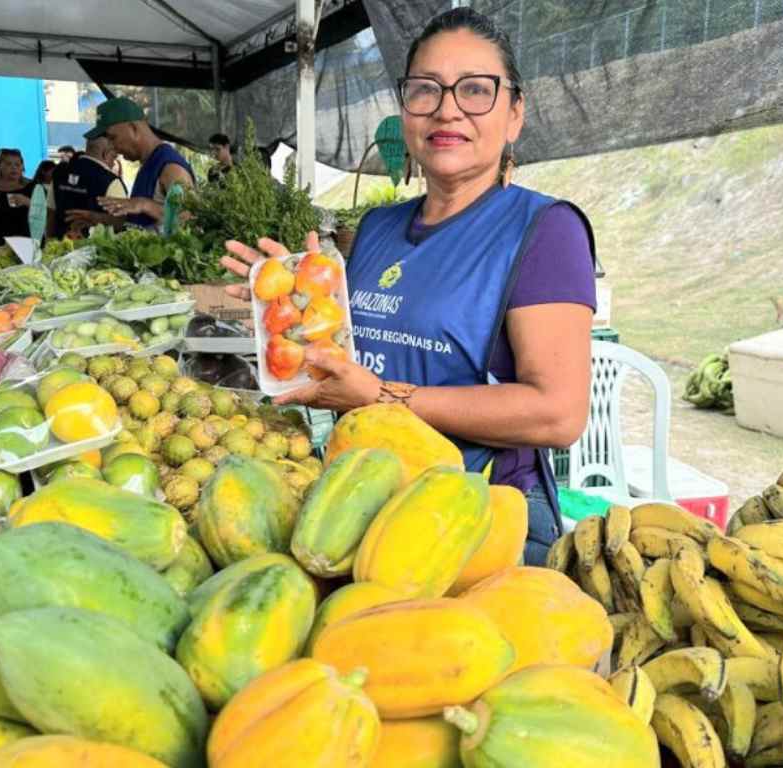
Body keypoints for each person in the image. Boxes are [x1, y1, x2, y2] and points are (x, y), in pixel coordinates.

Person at [221, 8, 595, 563]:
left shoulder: (544, 230)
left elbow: (558, 413)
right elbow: (350, 360)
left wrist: (381, 396)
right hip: (359, 499)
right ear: (405, 109)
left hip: (472, 517)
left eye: (475, 90)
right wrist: (294, 306)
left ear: (515, 114)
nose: (447, 109)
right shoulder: (377, 228)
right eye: (426, 90)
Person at [86, 97, 195, 229]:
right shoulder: (148, 162)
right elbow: (139, 223)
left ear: (133, 128)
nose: (111, 147)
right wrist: (97, 218)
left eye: (113, 138)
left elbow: (187, 218)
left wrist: (145, 205)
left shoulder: (171, 167)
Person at [48, 136, 128, 239]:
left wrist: (48, 242)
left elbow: (51, 213)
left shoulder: (59, 174)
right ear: (106, 153)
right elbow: (121, 222)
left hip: (59, 248)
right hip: (95, 251)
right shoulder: (111, 181)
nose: (113, 164)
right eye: (113, 157)